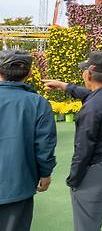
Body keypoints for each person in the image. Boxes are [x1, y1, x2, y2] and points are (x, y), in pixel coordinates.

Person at [44, 51, 102, 231]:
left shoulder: (92, 107)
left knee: (87, 226)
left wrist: (74, 179)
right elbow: (93, 95)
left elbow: (83, 148)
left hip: (97, 170)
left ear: (89, 73)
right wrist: (64, 86)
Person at [0, 50, 57, 231]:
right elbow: (45, 144)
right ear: (30, 73)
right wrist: (45, 173)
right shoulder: (38, 103)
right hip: (18, 184)